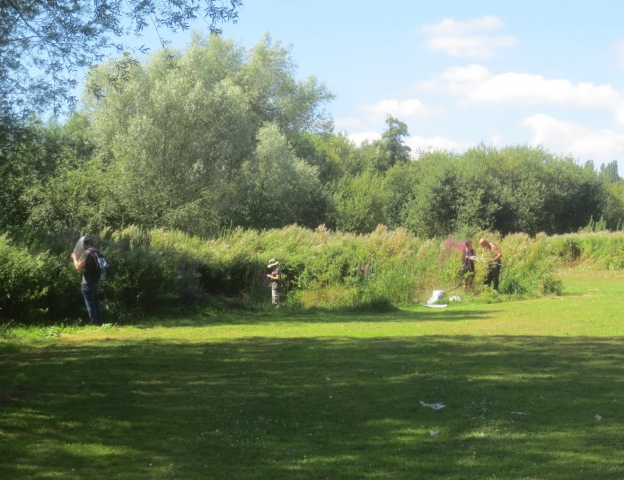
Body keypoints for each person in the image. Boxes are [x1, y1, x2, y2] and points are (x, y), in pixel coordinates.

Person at [70, 237, 103, 325]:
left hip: (87, 283)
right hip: (96, 281)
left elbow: (78, 267)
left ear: (84, 245)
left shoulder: (86, 253)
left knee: (90, 304)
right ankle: (99, 323)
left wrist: (74, 257)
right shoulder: (97, 252)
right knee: (95, 303)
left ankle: (93, 324)